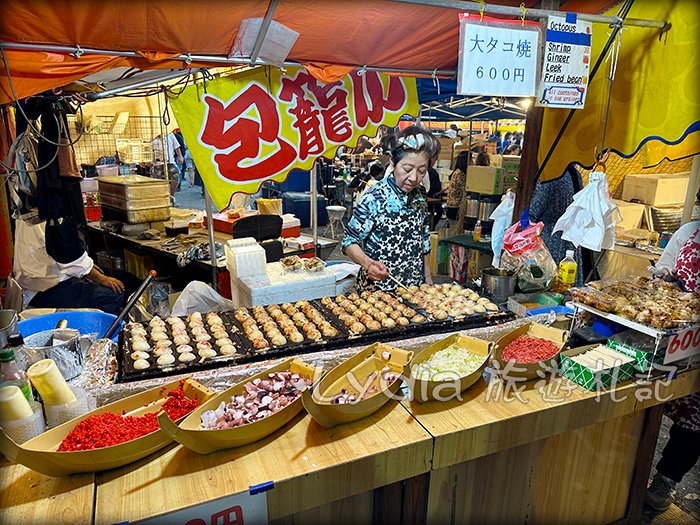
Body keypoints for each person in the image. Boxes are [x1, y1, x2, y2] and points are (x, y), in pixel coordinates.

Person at [12, 88, 126, 315]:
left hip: (34, 281)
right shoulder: (49, 212)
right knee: (115, 292)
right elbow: (69, 258)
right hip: (45, 288)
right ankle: (103, 339)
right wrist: (101, 278)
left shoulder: (26, 208)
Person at [645, 188, 700, 512]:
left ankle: (663, 481)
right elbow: (662, 275)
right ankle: (641, 476)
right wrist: (665, 278)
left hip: (686, 338)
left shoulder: (689, 233)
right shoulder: (689, 233)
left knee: (691, 423)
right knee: (657, 403)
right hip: (677, 336)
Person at [342, 126, 440, 291]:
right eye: (407, 169)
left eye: (422, 171)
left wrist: (428, 280)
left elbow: (423, 240)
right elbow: (349, 241)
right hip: (377, 291)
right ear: (393, 163)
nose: (414, 178)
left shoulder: (420, 194)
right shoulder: (375, 197)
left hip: (412, 290)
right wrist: (368, 264)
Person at [151, 131, 183, 197]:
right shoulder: (152, 136)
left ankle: (171, 196)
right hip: (157, 163)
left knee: (175, 176)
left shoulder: (170, 134)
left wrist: (180, 156)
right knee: (159, 181)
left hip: (170, 161)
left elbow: (176, 146)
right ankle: (162, 197)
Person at [445, 150, 470, 223]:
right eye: (471, 159)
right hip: (456, 208)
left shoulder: (457, 172)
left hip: (452, 207)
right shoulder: (460, 174)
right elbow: (465, 190)